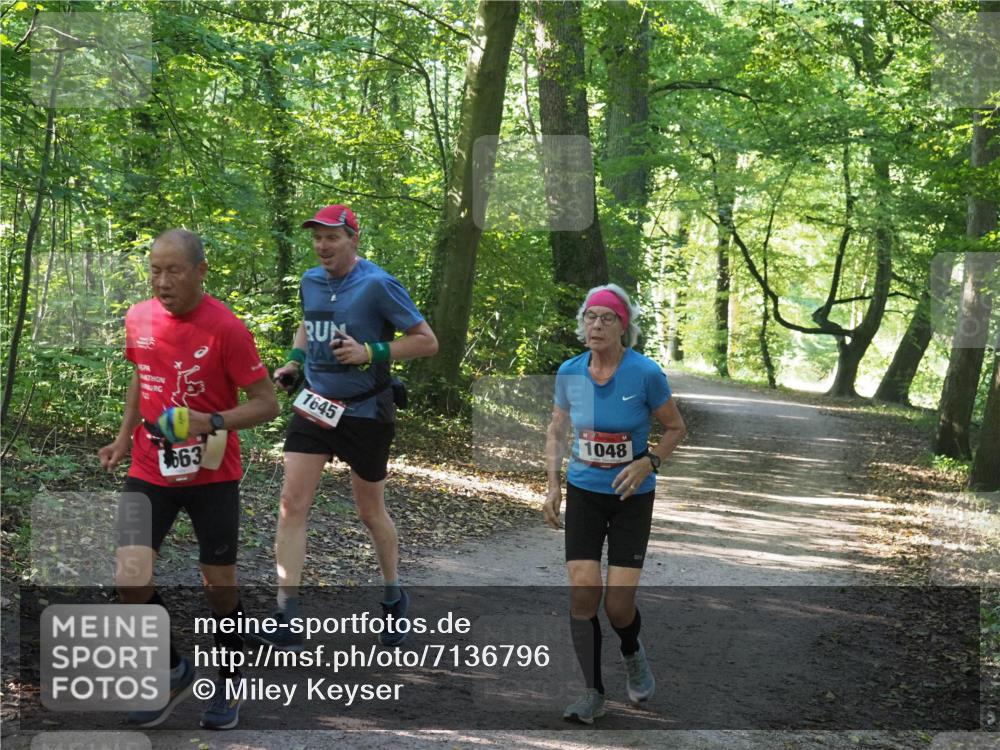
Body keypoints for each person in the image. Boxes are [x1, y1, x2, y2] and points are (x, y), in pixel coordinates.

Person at [98, 229, 279, 730]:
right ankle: (174, 669)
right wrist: (122, 435)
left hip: (212, 473)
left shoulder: (227, 328)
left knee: (219, 585)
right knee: (128, 577)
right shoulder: (138, 316)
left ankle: (230, 674)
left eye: (173, 270)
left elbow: (267, 403)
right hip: (149, 464)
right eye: (154, 270)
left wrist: (211, 421)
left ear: (200, 271)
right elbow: (141, 374)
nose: (161, 281)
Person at [255, 204, 437, 650]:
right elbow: (307, 323)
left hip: (365, 412)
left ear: (352, 239)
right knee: (291, 504)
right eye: (316, 237)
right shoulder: (310, 280)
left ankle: (394, 598)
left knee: (369, 512)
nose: (322, 245)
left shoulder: (377, 284)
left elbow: (426, 341)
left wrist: (370, 352)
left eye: (332, 237)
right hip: (315, 405)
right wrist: (294, 363)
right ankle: (287, 612)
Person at [542, 283, 686, 724]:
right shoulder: (571, 372)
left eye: (607, 318)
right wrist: (552, 484)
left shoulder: (644, 374)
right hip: (584, 491)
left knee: (618, 607)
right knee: (583, 592)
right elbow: (557, 430)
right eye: (590, 317)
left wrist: (649, 462)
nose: (597, 324)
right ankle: (592, 692)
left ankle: (631, 650)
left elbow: (676, 428)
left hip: (630, 498)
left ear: (624, 327)